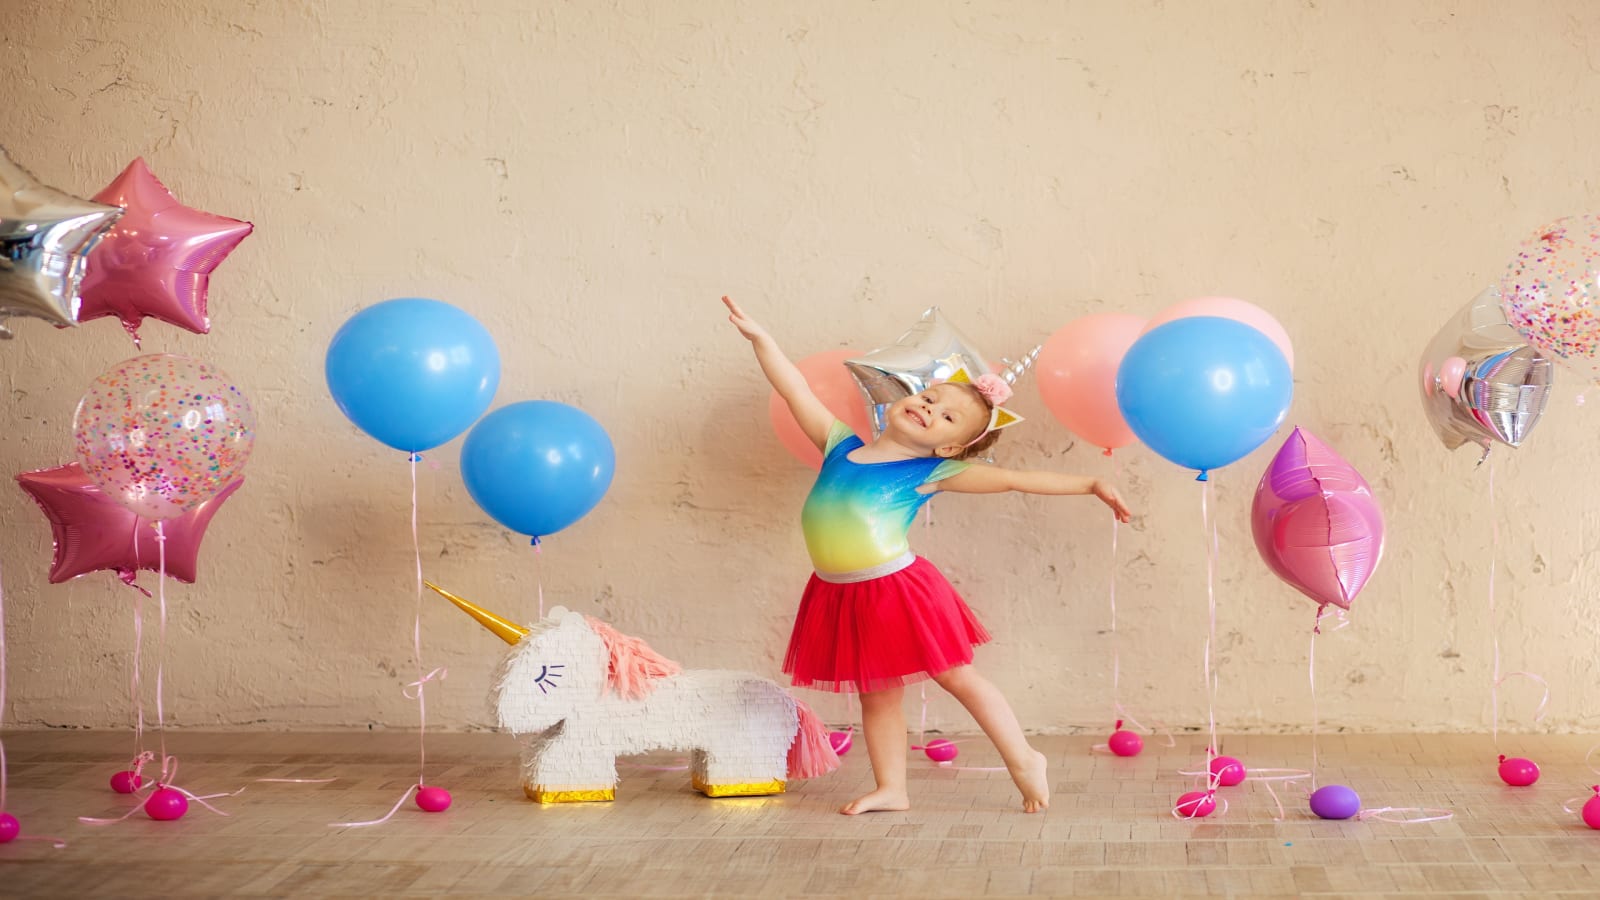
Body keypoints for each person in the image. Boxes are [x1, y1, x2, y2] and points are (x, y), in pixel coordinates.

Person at [724, 296, 1133, 814]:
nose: (929, 407)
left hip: (897, 590)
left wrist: (1091, 482)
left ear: (947, 450)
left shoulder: (928, 473)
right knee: (877, 696)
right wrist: (763, 341)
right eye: (931, 395)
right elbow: (794, 388)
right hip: (839, 592)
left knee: (958, 676)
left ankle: (1025, 758)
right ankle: (892, 788)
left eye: (946, 417)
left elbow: (1013, 480)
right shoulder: (838, 445)